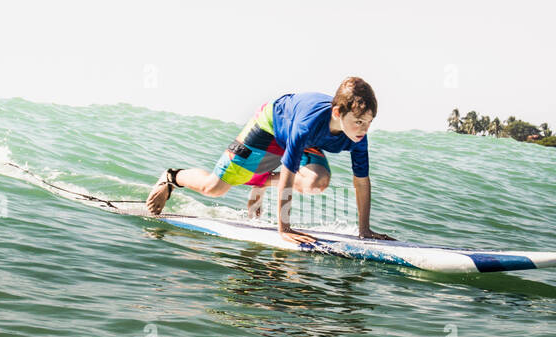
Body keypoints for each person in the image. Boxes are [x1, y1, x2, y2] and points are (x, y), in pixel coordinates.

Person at [145, 76, 394, 245]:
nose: (364, 128)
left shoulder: (357, 136)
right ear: (338, 113)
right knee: (214, 188)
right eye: (359, 121)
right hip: (271, 124)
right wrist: (284, 228)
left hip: (308, 139)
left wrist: (364, 230)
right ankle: (171, 177)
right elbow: (288, 170)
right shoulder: (307, 125)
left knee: (318, 182)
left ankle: (262, 182)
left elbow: (361, 181)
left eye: (370, 122)